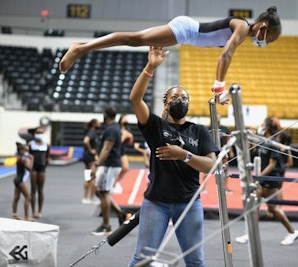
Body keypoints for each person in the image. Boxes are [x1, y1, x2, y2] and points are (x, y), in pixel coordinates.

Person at [59, 6, 281, 104]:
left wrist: (217, 90)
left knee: (135, 40)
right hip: (185, 30)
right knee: (134, 39)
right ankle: (79, 48)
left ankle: (81, 47)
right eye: (268, 38)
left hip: (185, 33)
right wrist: (219, 89)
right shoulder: (242, 27)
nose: (265, 43)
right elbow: (225, 56)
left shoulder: (241, 32)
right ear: (262, 26)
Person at [128, 46, 219, 266]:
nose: (181, 100)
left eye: (184, 97)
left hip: (189, 203)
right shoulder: (155, 126)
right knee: (142, 258)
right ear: (166, 103)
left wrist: (183, 155)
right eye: (175, 97)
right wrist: (151, 67)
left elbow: (211, 166)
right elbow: (135, 99)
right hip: (156, 202)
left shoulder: (198, 130)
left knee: (195, 261)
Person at [236, 117, 298, 246]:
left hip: (271, 179)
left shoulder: (274, 143)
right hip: (264, 178)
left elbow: (272, 164)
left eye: (263, 124)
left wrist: (259, 176)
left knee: (272, 208)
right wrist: (249, 136)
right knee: (256, 206)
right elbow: (253, 150)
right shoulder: (265, 141)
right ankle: (250, 233)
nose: (261, 125)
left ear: (268, 127)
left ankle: (292, 232)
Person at [91, 107, 131, 236]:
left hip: (109, 165)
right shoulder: (113, 128)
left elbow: (107, 149)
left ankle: (106, 226)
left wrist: (97, 164)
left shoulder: (111, 129)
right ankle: (121, 214)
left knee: (104, 192)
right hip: (110, 165)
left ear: (105, 115)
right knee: (100, 192)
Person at [205, 114, 234, 193]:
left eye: (218, 117)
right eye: (215, 117)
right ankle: (203, 188)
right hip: (211, 152)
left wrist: (231, 151)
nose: (217, 119)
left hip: (222, 152)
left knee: (225, 169)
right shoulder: (208, 129)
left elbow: (228, 140)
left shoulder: (224, 128)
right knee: (206, 170)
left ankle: (225, 187)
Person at [28, 126, 50, 219]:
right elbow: (28, 156)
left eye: (41, 133)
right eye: (38, 133)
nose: (40, 134)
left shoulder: (46, 145)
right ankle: (33, 211)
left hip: (42, 168)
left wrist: (45, 164)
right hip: (33, 168)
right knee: (33, 190)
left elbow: (48, 158)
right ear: (35, 134)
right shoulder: (30, 144)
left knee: (40, 190)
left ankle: (40, 211)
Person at [12, 142, 34, 221]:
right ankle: (26, 217)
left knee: (16, 197)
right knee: (28, 197)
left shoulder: (19, 157)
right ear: (22, 149)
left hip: (16, 179)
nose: (27, 147)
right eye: (26, 147)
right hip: (20, 180)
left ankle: (14, 215)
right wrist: (32, 159)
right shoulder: (24, 159)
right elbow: (30, 169)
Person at [113, 114, 134, 193]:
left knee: (125, 168)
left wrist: (130, 137)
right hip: (116, 150)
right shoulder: (117, 129)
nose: (125, 121)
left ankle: (116, 182)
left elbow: (130, 143)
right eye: (124, 119)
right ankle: (113, 184)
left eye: (126, 119)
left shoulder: (127, 129)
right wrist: (124, 136)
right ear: (120, 120)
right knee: (116, 169)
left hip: (122, 150)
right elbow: (117, 142)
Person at [82, 118, 100, 204]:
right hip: (90, 157)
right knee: (93, 177)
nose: (99, 124)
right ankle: (92, 198)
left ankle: (85, 198)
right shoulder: (92, 132)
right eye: (98, 123)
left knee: (88, 177)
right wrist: (91, 150)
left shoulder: (91, 131)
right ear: (94, 124)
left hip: (86, 157)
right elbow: (86, 141)